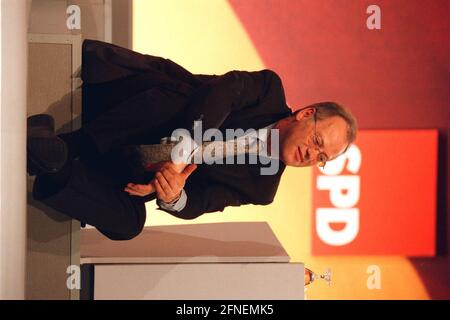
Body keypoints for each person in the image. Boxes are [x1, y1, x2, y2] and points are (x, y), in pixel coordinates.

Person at [27, 39, 357, 241]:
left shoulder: (262, 188)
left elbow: (202, 201)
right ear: (305, 114)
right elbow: (222, 95)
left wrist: (173, 193)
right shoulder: (268, 91)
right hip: (130, 103)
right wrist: (180, 156)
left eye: (322, 158)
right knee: (179, 99)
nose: (312, 155)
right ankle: (69, 146)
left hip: (135, 168)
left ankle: (55, 166)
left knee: (130, 224)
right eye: (317, 141)